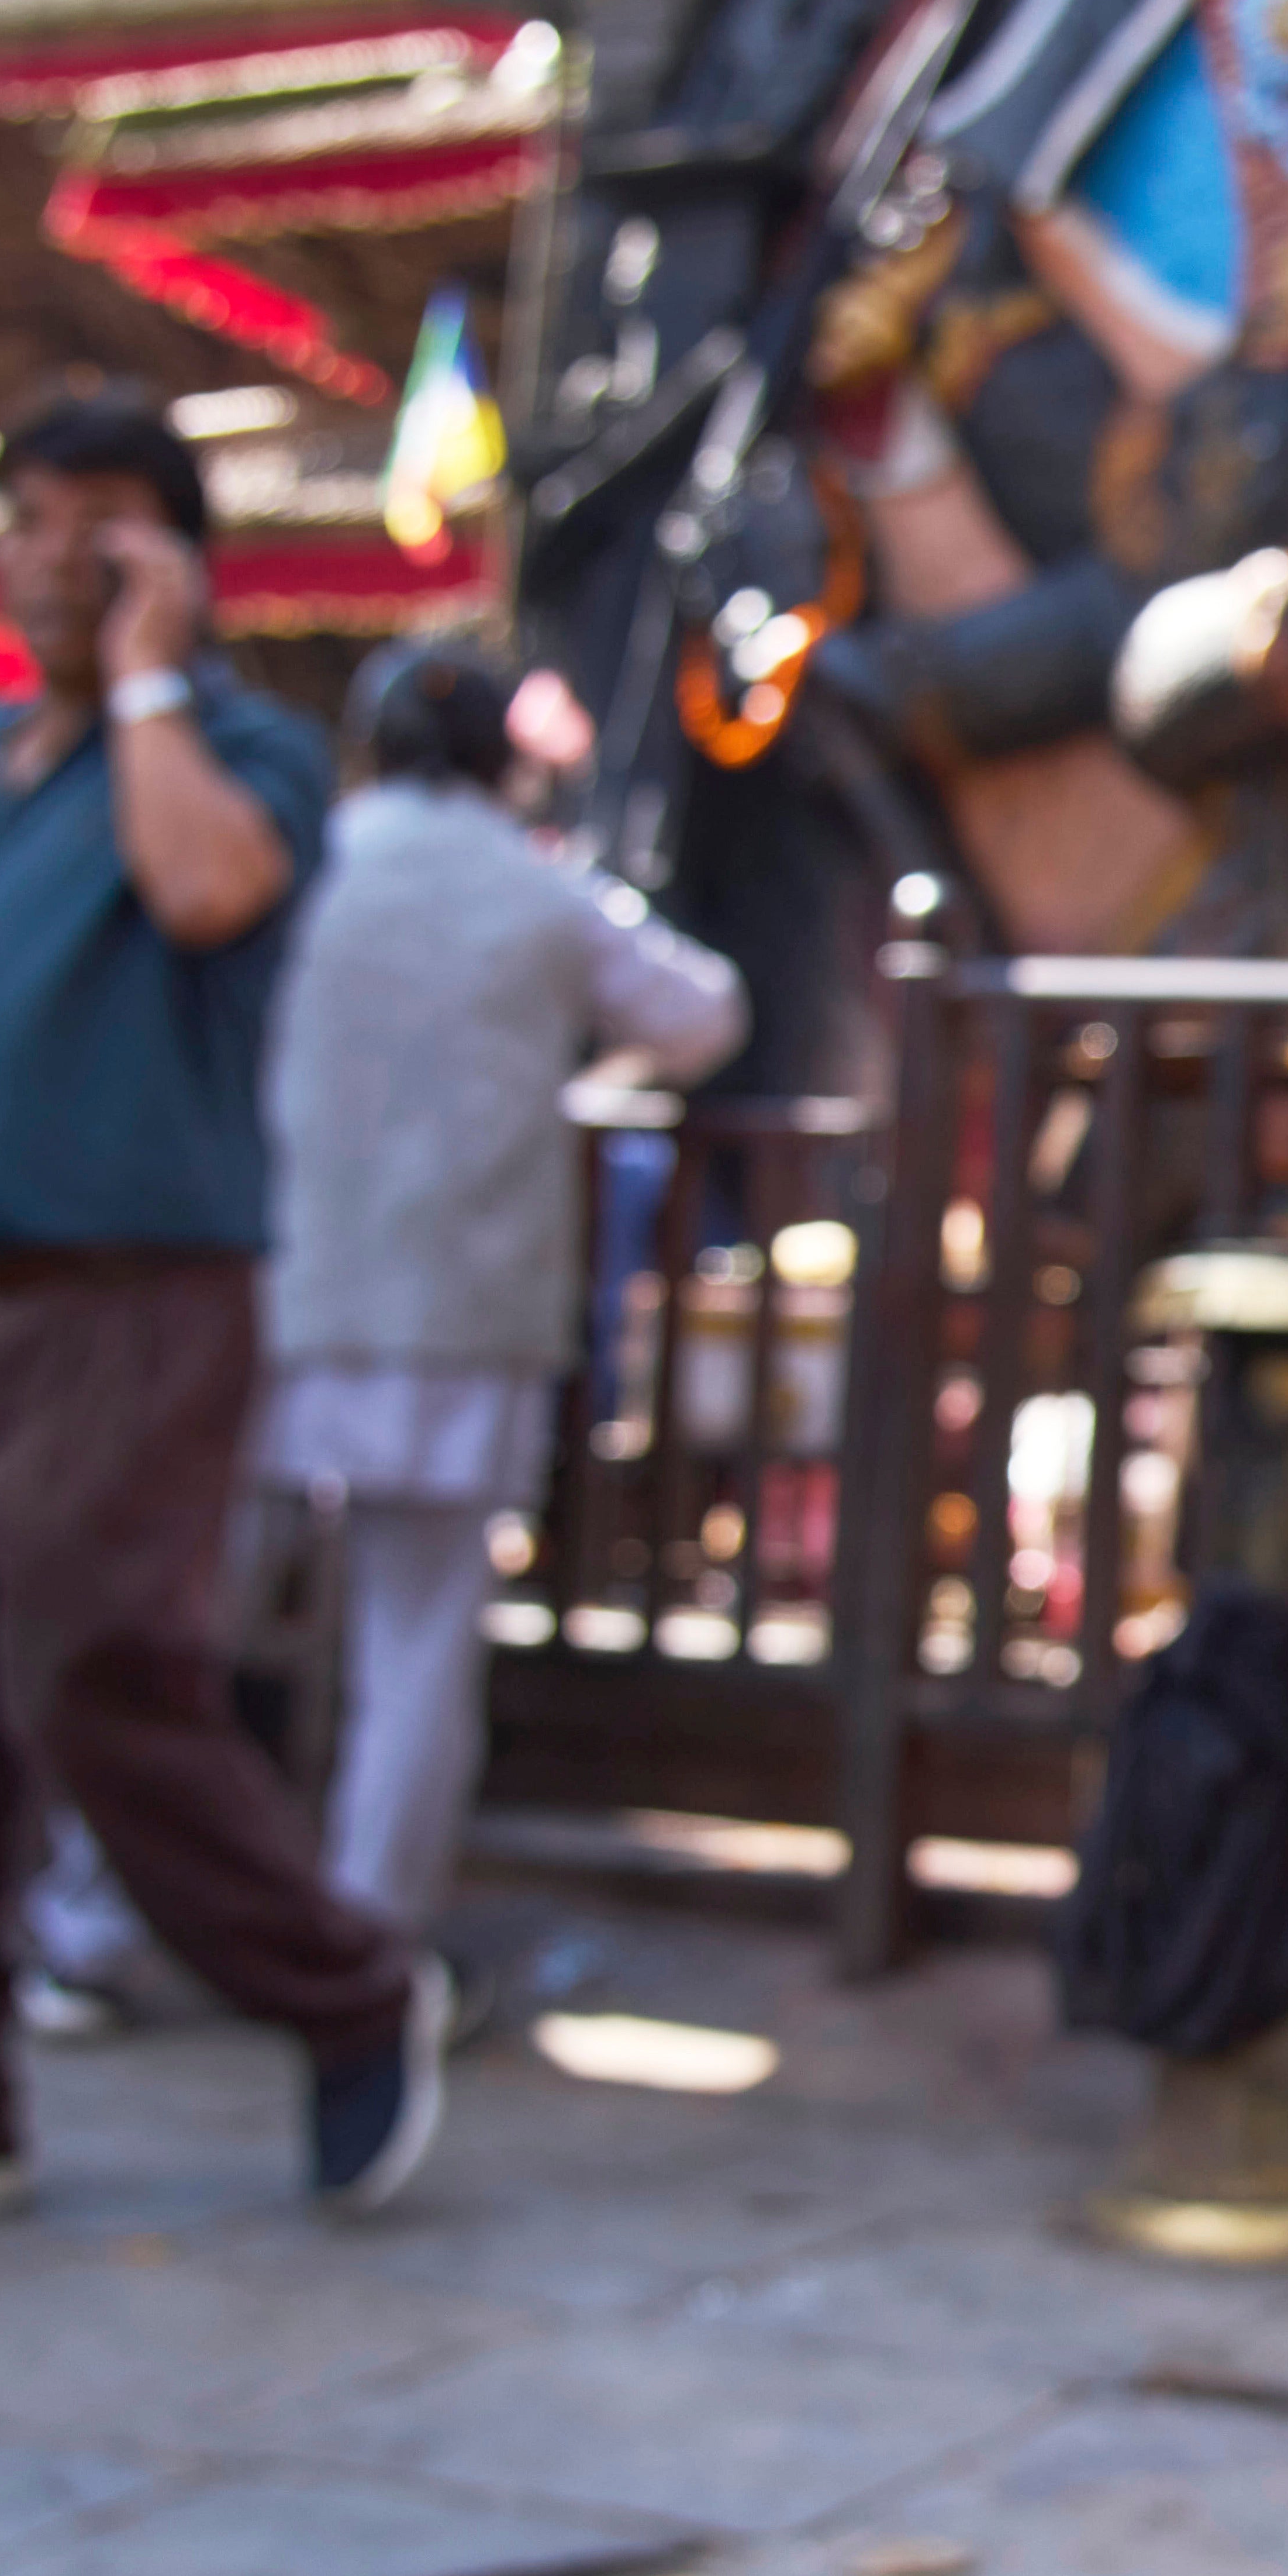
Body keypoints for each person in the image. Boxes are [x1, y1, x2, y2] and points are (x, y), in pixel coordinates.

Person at [0, 392, 446, 2223]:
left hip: (132, 1295)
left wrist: (146, 674)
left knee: (96, 1676)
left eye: (99, 525)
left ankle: (349, 1993)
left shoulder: (240, 754)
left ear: (172, 556)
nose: (52, 555)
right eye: (30, 518)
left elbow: (208, 892)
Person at [258, 648, 747, 1932]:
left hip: (280, 1286)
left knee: (179, 1625)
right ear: (501, 763)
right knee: (416, 1647)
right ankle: (368, 1938)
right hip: (461, 1304)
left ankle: (94, 1924)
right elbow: (701, 1012)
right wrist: (589, 1087)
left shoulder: (297, 863)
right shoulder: (540, 893)